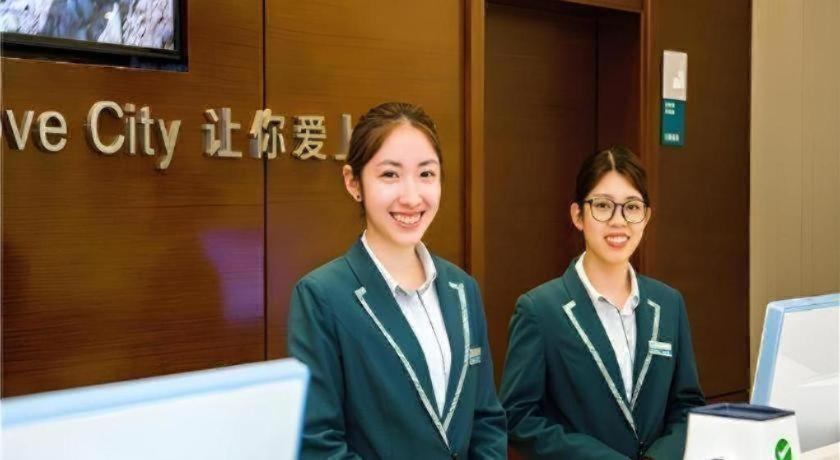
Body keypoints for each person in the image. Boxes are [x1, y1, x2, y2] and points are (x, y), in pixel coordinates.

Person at [288, 102, 507, 459]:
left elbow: (486, 420)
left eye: (426, 174)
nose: (411, 197)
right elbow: (319, 443)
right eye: (390, 174)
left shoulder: (462, 288)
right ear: (353, 182)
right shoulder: (322, 296)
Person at [500, 146, 705, 459]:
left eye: (631, 207)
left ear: (646, 217)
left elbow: (687, 406)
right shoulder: (540, 310)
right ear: (578, 216)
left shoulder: (669, 304)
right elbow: (518, 418)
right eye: (603, 206)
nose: (618, 221)